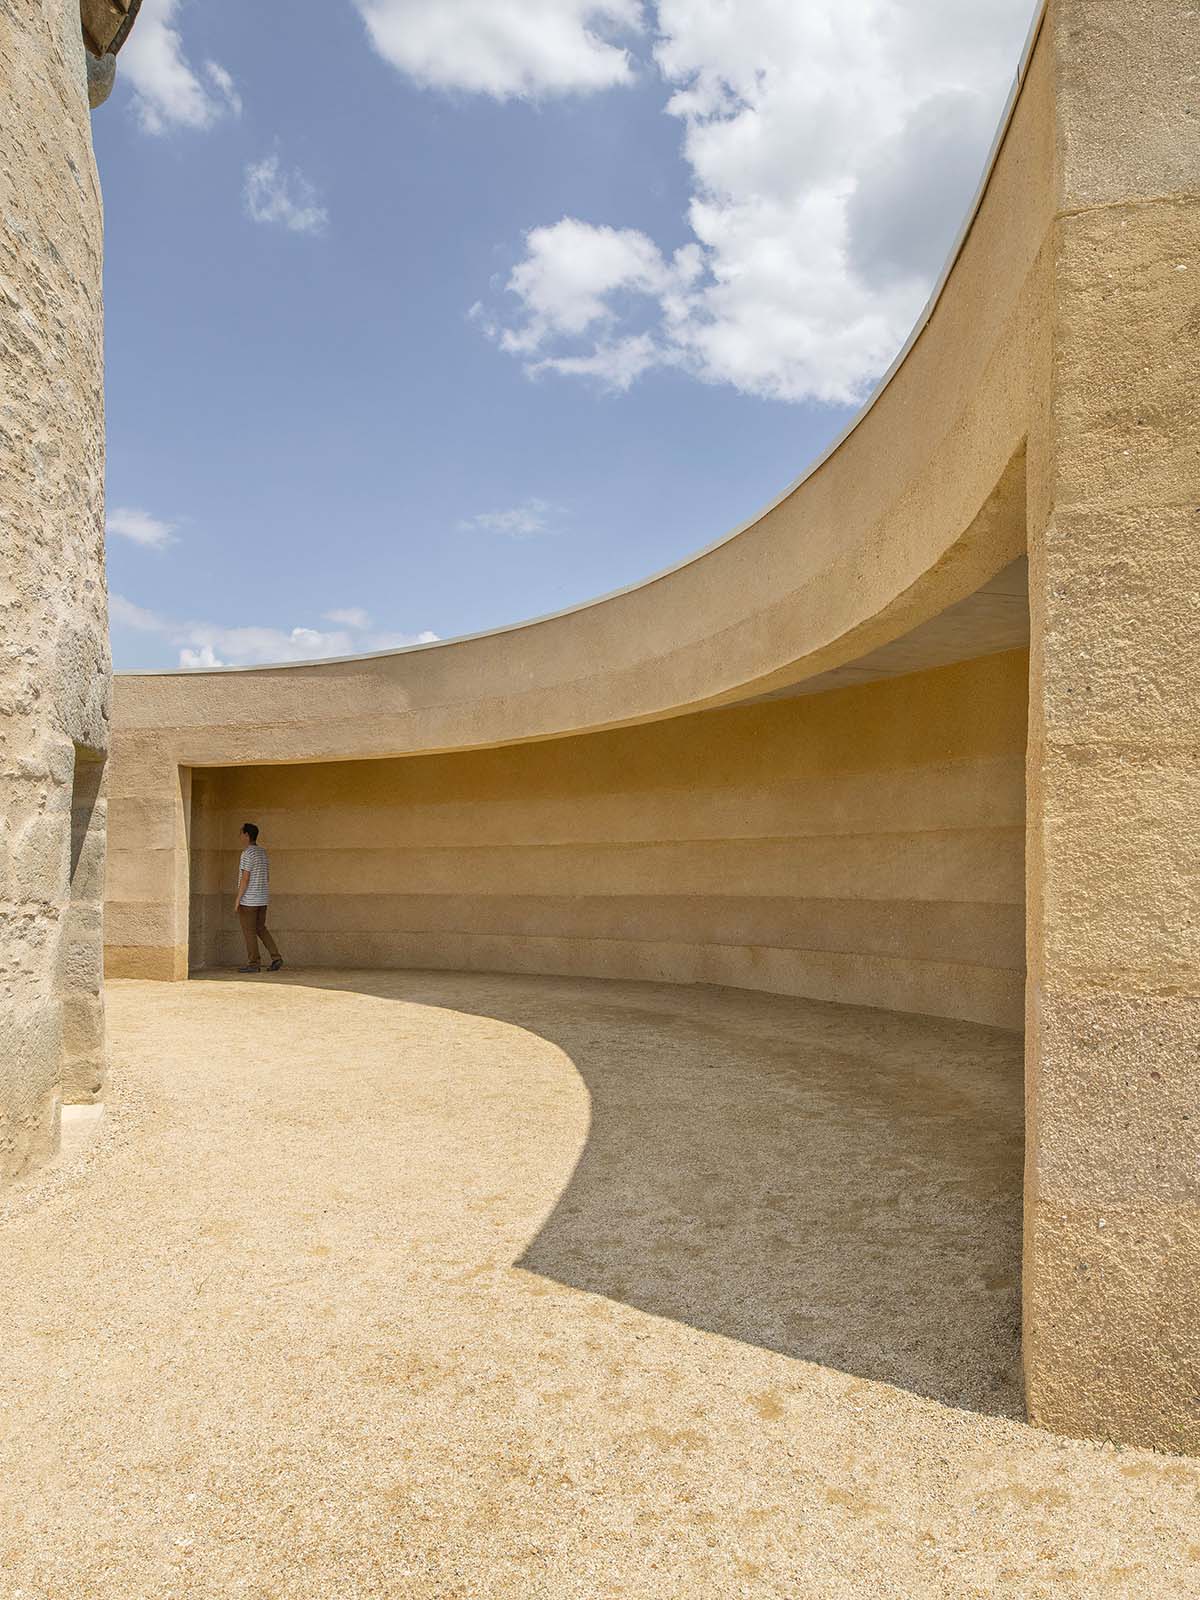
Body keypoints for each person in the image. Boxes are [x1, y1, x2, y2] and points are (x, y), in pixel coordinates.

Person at [235, 821, 283, 974]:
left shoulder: (247, 853)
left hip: (249, 900)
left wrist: (238, 899)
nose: (240, 836)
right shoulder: (263, 852)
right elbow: (266, 876)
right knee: (261, 929)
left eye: (241, 833)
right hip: (262, 899)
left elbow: (245, 878)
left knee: (249, 932)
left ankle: (253, 963)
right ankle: (276, 957)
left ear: (247, 835)